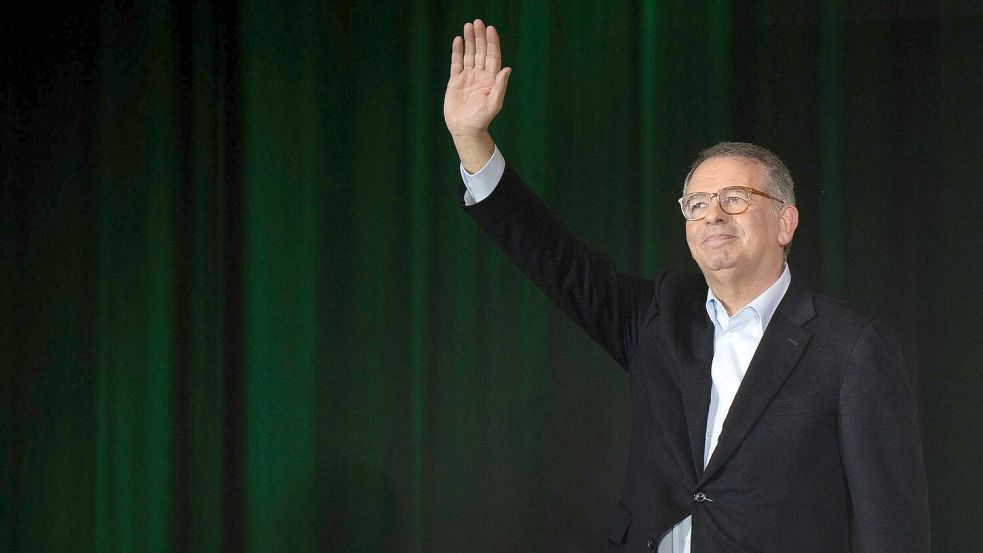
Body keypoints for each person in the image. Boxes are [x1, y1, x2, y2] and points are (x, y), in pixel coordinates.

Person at [443, 19, 930, 553]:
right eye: (696, 204)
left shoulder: (850, 346)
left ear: (785, 222)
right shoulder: (659, 315)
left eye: (735, 198)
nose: (713, 215)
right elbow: (553, 259)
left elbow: (892, 526)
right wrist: (472, 140)